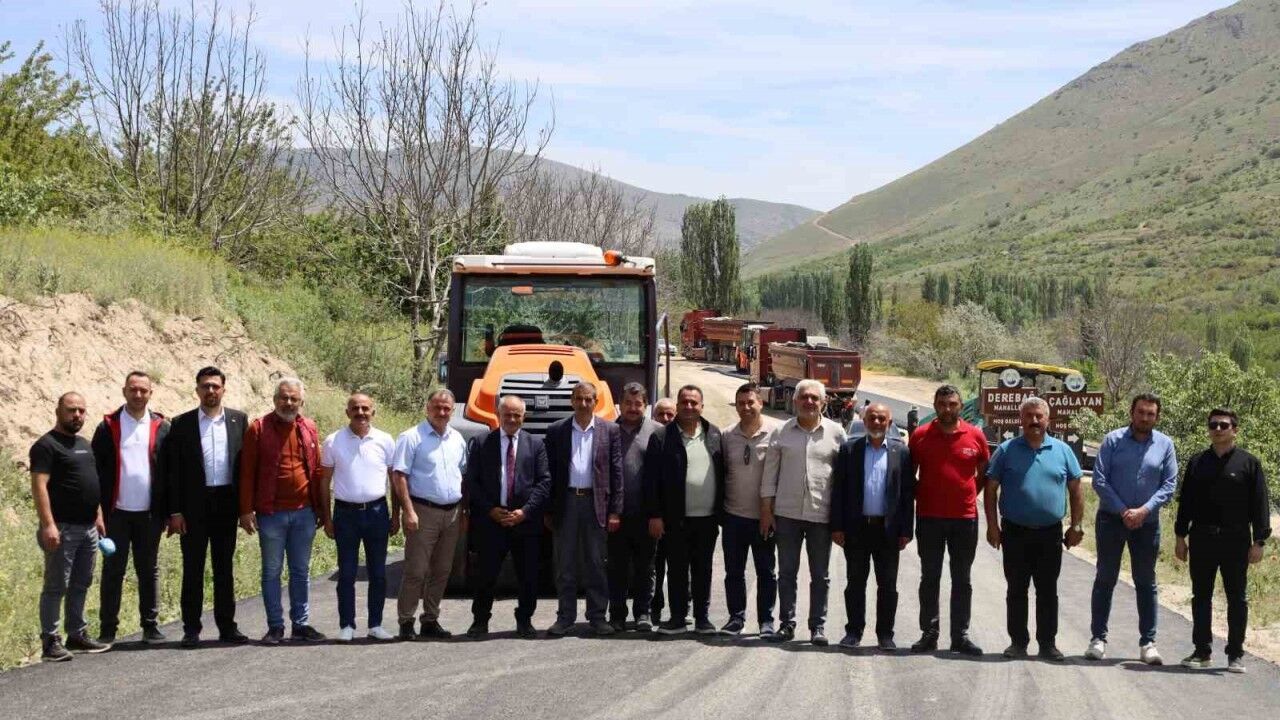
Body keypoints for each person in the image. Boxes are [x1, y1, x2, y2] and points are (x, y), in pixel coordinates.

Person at [984, 396, 1083, 661]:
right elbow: (991, 489)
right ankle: (1018, 642)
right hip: (1015, 532)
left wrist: (1076, 525)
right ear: (1021, 419)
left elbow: (1076, 489)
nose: (1034, 421)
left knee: (1047, 590)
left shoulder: (1063, 451)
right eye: (1029, 416)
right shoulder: (1006, 450)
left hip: (1050, 533)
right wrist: (992, 526)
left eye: (1039, 416)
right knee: (1016, 589)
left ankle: (1048, 644)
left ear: (1048, 419)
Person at [1176, 408, 1271, 673]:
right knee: (1201, 596)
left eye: (1224, 425)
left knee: (1237, 598)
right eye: (1213, 425)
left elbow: (1260, 505)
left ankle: (1235, 655)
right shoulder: (1197, 462)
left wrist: (1259, 541)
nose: (1218, 429)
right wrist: (1180, 536)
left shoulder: (1249, 463)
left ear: (1234, 430)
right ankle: (1202, 652)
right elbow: (1186, 503)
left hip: (1236, 540)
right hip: (1202, 538)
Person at [1085, 393, 1177, 665]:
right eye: (1141, 412)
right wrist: (1123, 510)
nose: (1145, 418)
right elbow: (1099, 479)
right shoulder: (1112, 440)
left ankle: (1148, 643)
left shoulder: (1165, 444)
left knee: (1146, 582)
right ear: (1131, 412)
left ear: (1157, 417)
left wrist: (1144, 510)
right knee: (1105, 578)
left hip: (1147, 523)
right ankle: (1098, 639)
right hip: (1111, 520)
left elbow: (1169, 484)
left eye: (1150, 414)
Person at [163, 366, 249, 648]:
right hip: (193, 507)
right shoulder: (181, 423)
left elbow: (245, 468)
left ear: (223, 389)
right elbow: (173, 471)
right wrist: (175, 511)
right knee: (193, 569)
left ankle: (227, 627)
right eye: (205, 386)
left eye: (215, 386)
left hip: (226, 503)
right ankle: (191, 629)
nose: (210, 390)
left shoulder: (238, 420)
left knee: (224, 568)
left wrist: (246, 507)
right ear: (197, 390)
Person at [239, 377, 327, 645]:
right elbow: (247, 472)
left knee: (300, 571)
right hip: (271, 514)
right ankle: (275, 626)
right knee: (271, 571)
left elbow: (317, 468)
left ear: (301, 401)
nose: (288, 403)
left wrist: (322, 509)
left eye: (293, 398)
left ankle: (300, 625)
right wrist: (245, 510)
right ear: (274, 399)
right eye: (283, 397)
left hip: (304, 512)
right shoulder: (258, 428)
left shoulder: (309, 427)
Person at [761, 379, 846, 645]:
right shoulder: (781, 432)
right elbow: (770, 475)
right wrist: (766, 511)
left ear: (823, 402)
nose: (809, 402)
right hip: (786, 515)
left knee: (820, 575)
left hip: (821, 515)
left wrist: (841, 519)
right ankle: (787, 624)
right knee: (787, 573)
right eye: (804, 397)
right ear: (795, 400)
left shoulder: (836, 433)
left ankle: (817, 627)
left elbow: (843, 478)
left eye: (814, 398)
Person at [91, 371, 170, 645]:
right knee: (113, 570)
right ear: (124, 391)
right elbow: (94, 471)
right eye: (133, 389)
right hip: (116, 514)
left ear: (150, 393)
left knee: (148, 570)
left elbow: (170, 473)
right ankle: (108, 630)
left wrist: (170, 512)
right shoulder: (107, 426)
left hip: (150, 514)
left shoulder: (162, 426)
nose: (138, 395)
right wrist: (97, 511)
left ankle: (150, 626)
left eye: (143, 390)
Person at [909, 385, 988, 655]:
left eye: (952, 404)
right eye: (942, 404)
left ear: (960, 406)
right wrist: (924, 495)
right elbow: (910, 474)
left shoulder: (975, 435)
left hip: (964, 519)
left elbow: (983, 473)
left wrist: (968, 494)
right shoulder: (920, 435)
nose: (947, 409)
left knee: (962, 579)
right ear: (935, 405)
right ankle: (929, 634)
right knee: (930, 577)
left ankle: (960, 636)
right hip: (929, 518)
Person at [31, 392, 110, 661]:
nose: (77, 415)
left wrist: (98, 515)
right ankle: (50, 641)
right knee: (56, 585)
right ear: (58, 411)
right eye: (71, 410)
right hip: (62, 528)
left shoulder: (84, 444)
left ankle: (76, 634)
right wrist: (48, 525)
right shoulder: (46, 445)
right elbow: (39, 486)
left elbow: (89, 481)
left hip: (88, 528)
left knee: (81, 583)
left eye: (81, 410)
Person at [464, 395, 551, 638]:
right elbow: (472, 481)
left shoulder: (536, 444)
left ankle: (525, 620)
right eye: (507, 414)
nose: (512, 419)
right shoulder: (482, 442)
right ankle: (480, 621)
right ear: (498, 415)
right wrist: (490, 510)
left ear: (524, 417)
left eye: (516, 415)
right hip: (492, 521)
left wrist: (525, 511)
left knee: (529, 576)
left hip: (525, 522)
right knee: (486, 575)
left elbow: (544, 482)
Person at [830, 403, 914, 651]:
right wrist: (837, 526)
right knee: (855, 583)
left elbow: (907, 494)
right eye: (872, 418)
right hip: (857, 529)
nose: (877, 422)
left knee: (887, 586)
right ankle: (853, 632)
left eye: (882, 419)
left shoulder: (901, 452)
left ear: (890, 423)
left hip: (888, 531)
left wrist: (906, 530)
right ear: (864, 421)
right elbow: (839, 491)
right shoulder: (849, 450)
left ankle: (885, 635)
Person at [544, 382, 624, 636]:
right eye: (578, 399)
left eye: (588, 399)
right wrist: (548, 509)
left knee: (596, 563)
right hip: (566, 502)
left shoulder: (610, 430)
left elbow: (617, 472)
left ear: (596, 402)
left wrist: (615, 510)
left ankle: (598, 616)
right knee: (564, 564)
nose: (583, 404)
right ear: (572, 400)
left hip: (596, 504)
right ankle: (565, 617)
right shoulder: (557, 430)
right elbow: (548, 473)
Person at [317, 393, 397, 642]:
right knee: (347, 573)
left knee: (378, 573)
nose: (360, 412)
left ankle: (375, 624)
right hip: (345, 514)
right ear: (347, 412)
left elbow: (394, 479)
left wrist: (396, 515)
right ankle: (347, 625)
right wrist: (327, 518)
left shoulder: (385, 440)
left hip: (377, 512)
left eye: (365, 408)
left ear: (373, 412)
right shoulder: (333, 441)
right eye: (355, 408)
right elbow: (324, 481)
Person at [392, 388, 470, 641]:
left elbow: (463, 476)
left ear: (452, 411)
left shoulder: (457, 439)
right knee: (416, 570)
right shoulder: (411, 437)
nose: (442, 412)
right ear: (427, 408)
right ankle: (406, 621)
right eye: (437, 407)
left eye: (447, 408)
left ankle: (430, 619)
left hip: (452, 513)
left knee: (442, 570)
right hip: (422, 511)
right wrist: (408, 511)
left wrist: (464, 511)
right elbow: (399, 476)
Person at [648, 385, 725, 635]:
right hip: (675, 519)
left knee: (703, 570)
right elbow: (652, 480)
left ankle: (702, 618)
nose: (689, 406)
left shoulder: (714, 434)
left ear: (702, 406)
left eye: (694, 402)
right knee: (677, 570)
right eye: (684, 402)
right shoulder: (661, 437)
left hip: (708, 518)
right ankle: (678, 618)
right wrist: (655, 515)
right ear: (678, 405)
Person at [719, 382, 780, 636]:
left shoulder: (776, 434)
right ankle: (736, 618)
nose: (746, 407)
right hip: (733, 516)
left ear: (760, 403)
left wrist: (770, 512)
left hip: (764, 518)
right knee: (734, 572)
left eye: (750, 402)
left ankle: (766, 621)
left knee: (766, 572)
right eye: (741, 403)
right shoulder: (726, 436)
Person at [607, 383, 662, 632]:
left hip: (646, 515)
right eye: (628, 403)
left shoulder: (658, 432)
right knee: (616, 567)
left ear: (646, 405)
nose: (632, 408)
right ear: (620, 403)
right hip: (616, 515)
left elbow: (662, 478)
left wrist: (657, 514)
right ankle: (617, 615)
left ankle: (643, 613)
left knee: (645, 568)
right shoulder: (609, 431)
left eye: (638, 404)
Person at [649, 397, 677, 624]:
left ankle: (682, 609)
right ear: (653, 416)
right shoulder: (651, 439)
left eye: (670, 414)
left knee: (679, 566)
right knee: (655, 566)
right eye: (661, 414)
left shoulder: (682, 438)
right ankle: (654, 608)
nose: (666, 418)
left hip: (679, 517)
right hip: (655, 515)